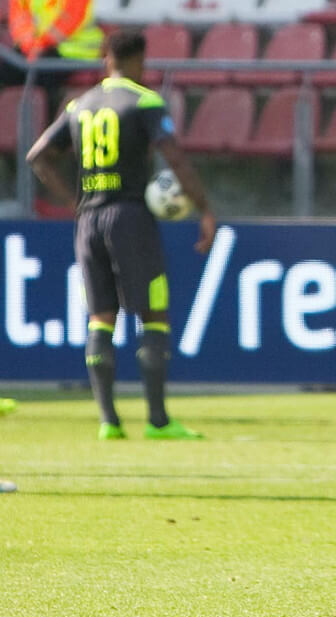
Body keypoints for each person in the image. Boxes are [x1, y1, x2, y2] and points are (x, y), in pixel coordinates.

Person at [26, 30, 216, 441]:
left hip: (88, 219)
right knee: (154, 313)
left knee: (101, 316)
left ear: (105, 58)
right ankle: (158, 420)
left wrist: (73, 198)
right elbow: (176, 159)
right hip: (130, 216)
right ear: (139, 60)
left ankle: (108, 421)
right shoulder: (144, 101)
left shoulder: (79, 104)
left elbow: (37, 156)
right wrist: (204, 210)